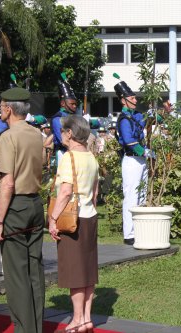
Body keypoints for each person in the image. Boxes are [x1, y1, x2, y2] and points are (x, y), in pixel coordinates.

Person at [0, 87, 45, 333]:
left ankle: (25, 329)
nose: (0, 110)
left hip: (16, 206)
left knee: (16, 275)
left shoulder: (8, 137)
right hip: (35, 202)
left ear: (9, 109)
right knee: (34, 270)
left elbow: (8, 183)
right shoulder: (36, 134)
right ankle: (36, 327)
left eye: (1, 106)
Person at [48, 115, 99, 333]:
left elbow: (66, 191)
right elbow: (95, 192)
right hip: (90, 215)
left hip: (72, 219)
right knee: (87, 271)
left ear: (70, 133)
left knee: (75, 273)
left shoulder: (69, 158)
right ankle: (87, 318)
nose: (60, 134)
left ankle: (77, 319)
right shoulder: (91, 156)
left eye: (62, 130)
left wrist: (53, 218)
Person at [115, 78, 148, 246]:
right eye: (132, 98)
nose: (136, 100)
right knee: (131, 196)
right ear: (123, 100)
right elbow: (128, 140)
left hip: (141, 160)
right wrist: (146, 152)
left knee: (142, 195)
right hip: (131, 159)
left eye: (135, 98)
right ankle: (129, 234)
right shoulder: (124, 119)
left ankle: (140, 229)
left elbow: (148, 120)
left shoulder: (137, 115)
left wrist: (163, 113)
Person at [52, 78, 78, 165]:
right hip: (63, 153)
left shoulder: (75, 117)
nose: (74, 106)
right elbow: (63, 140)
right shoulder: (57, 118)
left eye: (75, 104)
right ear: (63, 103)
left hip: (76, 150)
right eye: (72, 104)